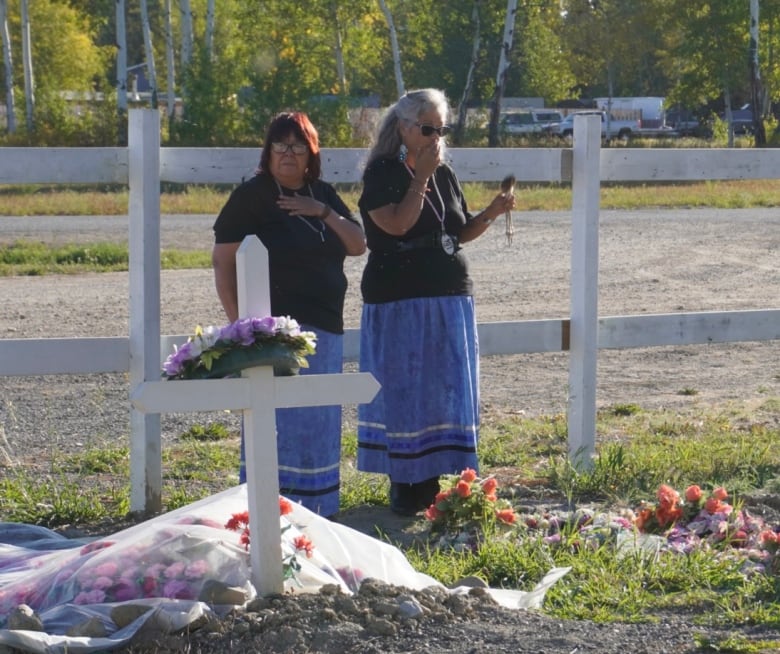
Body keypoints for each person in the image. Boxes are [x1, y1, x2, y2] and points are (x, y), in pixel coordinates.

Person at [356, 88, 515, 516]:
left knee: (444, 388)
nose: (435, 137)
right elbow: (396, 224)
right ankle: (406, 482)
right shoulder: (383, 173)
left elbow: (459, 231)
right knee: (406, 388)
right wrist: (420, 178)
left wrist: (491, 213)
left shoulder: (444, 174)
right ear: (403, 128)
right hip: (399, 295)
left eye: (441, 129)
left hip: (447, 291)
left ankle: (443, 478)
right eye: (427, 129)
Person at [212, 111, 366, 518]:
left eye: (297, 145)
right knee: (276, 424)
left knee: (317, 420)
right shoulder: (252, 196)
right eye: (279, 145)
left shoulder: (323, 193)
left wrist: (322, 211)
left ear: (311, 152)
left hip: (325, 329)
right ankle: (266, 513)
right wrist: (242, 326)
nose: (288, 153)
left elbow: (357, 244)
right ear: (268, 151)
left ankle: (319, 513)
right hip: (273, 336)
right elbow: (223, 262)